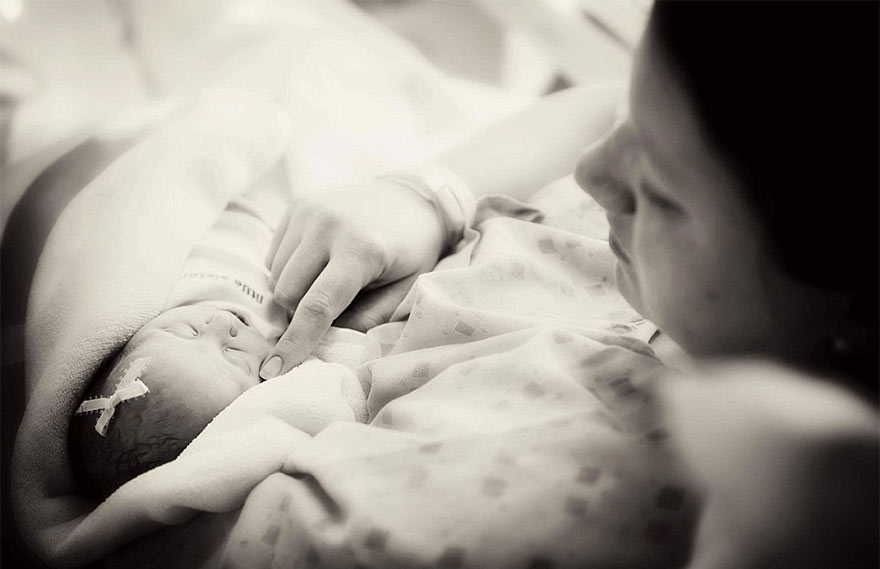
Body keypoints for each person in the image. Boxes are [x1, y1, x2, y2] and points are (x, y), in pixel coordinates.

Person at [257, 1, 878, 567]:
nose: (590, 175)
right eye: (630, 117)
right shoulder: (714, 206)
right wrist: (430, 193)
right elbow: (600, 103)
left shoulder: (540, 498)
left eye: (659, 195)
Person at [70, 167, 368, 499]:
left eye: (187, 331)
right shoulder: (289, 338)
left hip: (222, 196)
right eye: (234, 357)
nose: (221, 325)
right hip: (298, 211)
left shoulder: (155, 296)